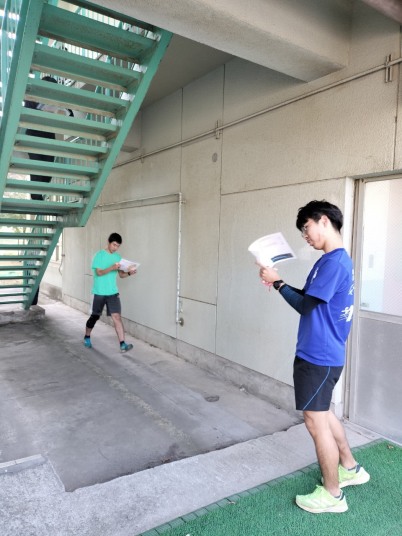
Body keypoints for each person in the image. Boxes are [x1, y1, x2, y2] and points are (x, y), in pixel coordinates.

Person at [258, 200, 370, 514]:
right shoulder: (331, 260)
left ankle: (332, 494)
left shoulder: (334, 262)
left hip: (318, 355)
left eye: (306, 228)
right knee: (324, 414)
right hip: (323, 352)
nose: (305, 236)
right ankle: (349, 467)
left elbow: (306, 306)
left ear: (323, 221)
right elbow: (310, 298)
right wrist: (278, 282)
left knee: (315, 421)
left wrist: (277, 282)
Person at [84, 233, 136, 353]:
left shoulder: (118, 257)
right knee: (95, 316)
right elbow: (99, 273)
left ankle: (122, 344)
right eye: (114, 245)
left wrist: (129, 273)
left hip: (113, 292)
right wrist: (112, 268)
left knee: (117, 317)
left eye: (118, 246)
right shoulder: (99, 255)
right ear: (109, 242)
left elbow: (121, 275)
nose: (115, 248)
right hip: (99, 292)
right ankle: (87, 336)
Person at [24, 75, 74, 201]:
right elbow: (27, 111)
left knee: (48, 169)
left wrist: (61, 109)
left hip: (49, 136)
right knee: (37, 166)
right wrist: (42, 110)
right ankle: (36, 197)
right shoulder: (33, 98)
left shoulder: (56, 100)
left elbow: (70, 115)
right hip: (33, 135)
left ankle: (39, 194)